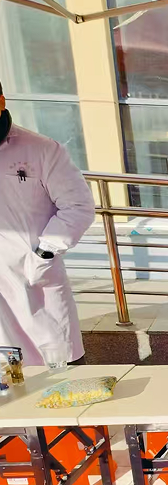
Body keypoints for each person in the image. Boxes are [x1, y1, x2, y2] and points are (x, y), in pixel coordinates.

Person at [0, 81, 95, 366]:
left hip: (34, 276)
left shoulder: (42, 150)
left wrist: (44, 254)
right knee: (9, 374)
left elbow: (78, 206)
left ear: (1, 102)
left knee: (60, 367)